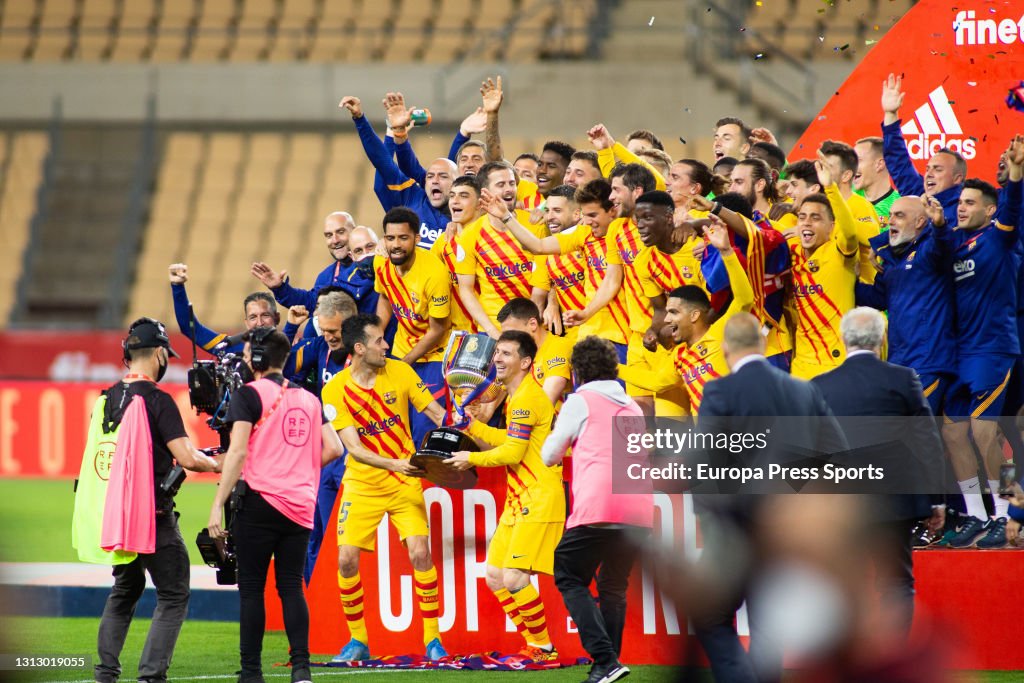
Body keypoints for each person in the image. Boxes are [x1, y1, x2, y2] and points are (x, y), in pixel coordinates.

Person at [693, 313, 847, 683]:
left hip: (734, 526)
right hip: (786, 528)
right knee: (766, 621)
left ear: (726, 348)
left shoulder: (719, 391)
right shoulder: (803, 389)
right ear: (762, 345)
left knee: (709, 614)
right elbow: (838, 453)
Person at [207, 328, 344, 683]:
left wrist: (217, 503)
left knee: (252, 588)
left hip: (258, 503)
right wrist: (297, 466)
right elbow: (334, 449)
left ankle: (251, 672)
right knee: (291, 586)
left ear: (256, 358)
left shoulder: (249, 395)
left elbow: (236, 453)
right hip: (299, 506)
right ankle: (301, 669)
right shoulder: (310, 399)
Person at [93, 318, 220, 683]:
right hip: (154, 514)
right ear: (161, 354)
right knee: (174, 594)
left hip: (118, 515)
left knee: (124, 589)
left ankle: (106, 673)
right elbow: (189, 457)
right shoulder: (157, 400)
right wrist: (220, 464)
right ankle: (151, 676)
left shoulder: (106, 398)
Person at [320, 314, 448, 662]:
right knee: (346, 561)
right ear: (359, 348)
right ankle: (358, 640)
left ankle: (433, 640)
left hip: (404, 481)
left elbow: (436, 413)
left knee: (420, 554)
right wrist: (396, 463)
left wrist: (457, 429)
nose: (387, 345)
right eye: (379, 340)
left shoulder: (401, 372)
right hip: (362, 483)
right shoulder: (334, 390)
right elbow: (355, 449)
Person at [811, 308, 945, 636]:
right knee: (896, 582)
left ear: (842, 340)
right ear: (882, 339)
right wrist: (936, 499)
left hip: (844, 506)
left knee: (842, 584)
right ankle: (892, 664)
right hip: (894, 502)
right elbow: (928, 440)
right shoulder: (903, 378)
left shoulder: (819, 386)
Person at [445, 331, 563, 662]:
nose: (497, 359)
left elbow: (513, 451)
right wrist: (474, 428)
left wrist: (472, 457)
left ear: (525, 362)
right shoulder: (516, 396)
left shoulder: (527, 398)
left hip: (538, 496)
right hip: (519, 499)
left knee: (513, 577)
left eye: (506, 354)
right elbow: (508, 437)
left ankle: (544, 648)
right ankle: (536, 645)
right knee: (495, 576)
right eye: (496, 352)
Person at [543, 336, 653, 683]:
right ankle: (610, 664)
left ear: (576, 372)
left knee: (568, 574)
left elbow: (550, 455)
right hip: (637, 510)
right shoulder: (633, 407)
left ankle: (605, 659)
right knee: (613, 586)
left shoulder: (581, 401)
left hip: (598, 506)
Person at [941, 142, 1023, 549]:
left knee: (986, 433)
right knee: (952, 433)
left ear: (989, 209)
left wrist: (1015, 173)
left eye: (970, 202)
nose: (961, 207)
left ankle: (1006, 512)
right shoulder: (953, 242)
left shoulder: (1002, 237)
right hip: (956, 352)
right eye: (960, 202)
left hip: (993, 349)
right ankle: (976, 513)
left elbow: (1012, 206)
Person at [618, 217, 753, 413]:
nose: (666, 319)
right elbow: (657, 382)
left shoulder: (722, 333)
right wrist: (612, 368)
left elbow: (744, 299)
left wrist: (726, 251)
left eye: (673, 312)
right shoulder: (680, 357)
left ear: (694, 315)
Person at [373, 206, 452, 446]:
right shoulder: (381, 262)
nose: (396, 244)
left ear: (417, 239)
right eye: (390, 238)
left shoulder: (434, 273)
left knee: (423, 427)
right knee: (395, 420)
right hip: (400, 347)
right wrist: (376, 332)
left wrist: (404, 364)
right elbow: (385, 297)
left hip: (435, 354)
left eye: (403, 238)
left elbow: (438, 329)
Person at [339, 95, 456, 249]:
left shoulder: (467, 214)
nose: (434, 180)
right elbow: (383, 162)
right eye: (430, 176)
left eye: (443, 176)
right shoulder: (413, 198)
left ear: (457, 183)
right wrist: (360, 120)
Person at [787, 153, 860, 379]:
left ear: (831, 226)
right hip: (801, 366)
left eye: (816, 218)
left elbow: (849, 232)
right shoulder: (792, 252)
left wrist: (830, 188)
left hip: (836, 364)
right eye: (802, 217)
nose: (807, 222)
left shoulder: (840, 254)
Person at [455, 161, 547, 336]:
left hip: (532, 324)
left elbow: (545, 280)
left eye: (512, 183)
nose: (509, 189)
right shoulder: (470, 235)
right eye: (501, 184)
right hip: (492, 327)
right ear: (485, 192)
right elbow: (466, 289)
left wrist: (530, 322)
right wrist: (491, 330)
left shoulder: (536, 224)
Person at [251, 212, 377, 316]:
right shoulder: (326, 276)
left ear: (354, 231)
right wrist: (279, 288)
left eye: (340, 232)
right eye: (329, 235)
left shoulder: (375, 264)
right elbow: (311, 303)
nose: (335, 240)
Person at [881, 73, 965, 226]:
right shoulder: (920, 196)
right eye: (928, 169)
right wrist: (890, 114)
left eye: (938, 169)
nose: (928, 174)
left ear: (957, 178)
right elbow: (899, 163)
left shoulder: (966, 209)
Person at [169, 263, 279, 356]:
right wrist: (177, 287)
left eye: (265, 315)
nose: (259, 323)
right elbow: (191, 329)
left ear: (277, 318)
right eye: (253, 317)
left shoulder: (292, 348)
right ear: (246, 323)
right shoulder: (231, 346)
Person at [528, 184, 587, 337]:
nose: (549, 217)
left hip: (602, 331)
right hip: (568, 336)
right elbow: (537, 299)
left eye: (557, 211)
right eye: (547, 211)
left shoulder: (590, 242)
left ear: (577, 214)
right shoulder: (545, 252)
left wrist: (552, 299)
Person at [496, 297, 573, 409]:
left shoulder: (558, 347)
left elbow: (544, 405)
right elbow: (489, 402)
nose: (509, 339)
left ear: (532, 324)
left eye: (513, 332)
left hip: (547, 424)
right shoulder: (514, 353)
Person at [854, 136, 901, 226]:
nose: (851, 167)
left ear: (879, 164)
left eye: (858, 160)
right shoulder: (846, 196)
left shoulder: (899, 206)